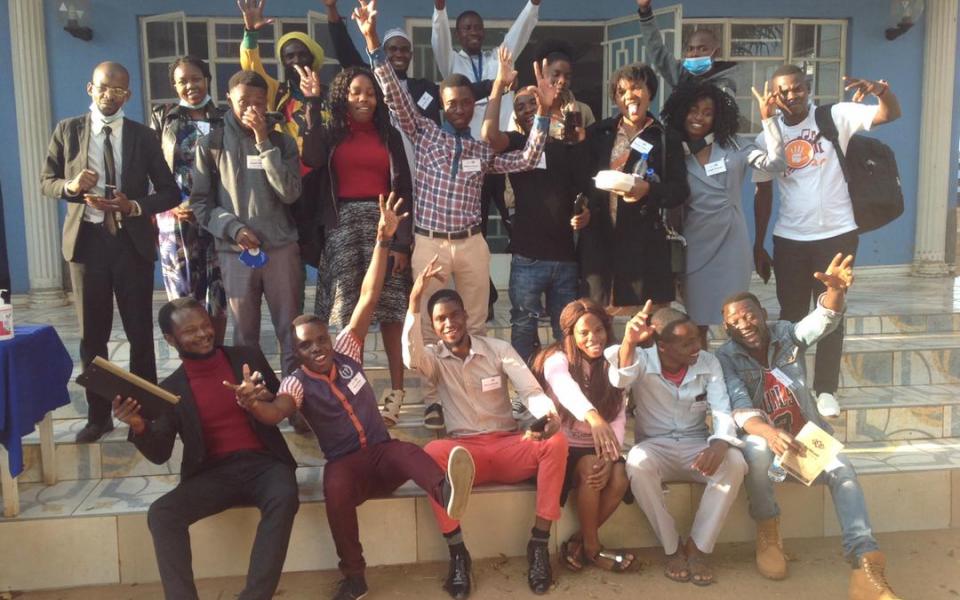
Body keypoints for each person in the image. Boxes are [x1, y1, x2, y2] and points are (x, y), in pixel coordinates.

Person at [204, 195, 475, 600]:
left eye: (321, 340)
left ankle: (448, 494)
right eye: (307, 346)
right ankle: (354, 576)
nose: (317, 349)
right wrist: (251, 403)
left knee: (410, 452)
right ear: (296, 354)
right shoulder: (296, 381)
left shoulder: (347, 350)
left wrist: (383, 240)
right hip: (348, 466)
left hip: (382, 455)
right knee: (333, 489)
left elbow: (368, 295)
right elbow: (276, 412)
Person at [354, 1, 552, 430]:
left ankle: (478, 392)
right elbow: (393, 94)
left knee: (475, 322)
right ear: (442, 107)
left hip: (472, 244)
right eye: (452, 103)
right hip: (430, 242)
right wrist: (372, 42)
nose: (460, 108)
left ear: (472, 105)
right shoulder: (424, 135)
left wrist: (546, 114)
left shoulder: (482, 151)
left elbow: (526, 160)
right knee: (429, 323)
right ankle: (434, 400)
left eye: (465, 102)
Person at [717, 254, 901, 600]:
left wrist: (834, 292)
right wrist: (770, 433)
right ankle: (768, 529)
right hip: (766, 442)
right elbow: (740, 407)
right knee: (754, 448)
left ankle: (864, 564)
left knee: (842, 468)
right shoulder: (725, 357)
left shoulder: (785, 334)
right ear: (726, 328)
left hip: (807, 440)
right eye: (735, 320)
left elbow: (821, 322)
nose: (744, 323)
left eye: (750, 314)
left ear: (763, 315)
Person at [110, 298, 299, 600]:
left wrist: (262, 396)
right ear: (171, 340)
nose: (202, 334)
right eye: (190, 331)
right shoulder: (171, 389)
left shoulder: (247, 358)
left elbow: (281, 402)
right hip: (214, 474)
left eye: (205, 326)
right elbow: (160, 454)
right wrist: (139, 425)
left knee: (285, 494)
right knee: (162, 514)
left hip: (266, 464)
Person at [403, 257, 567, 598]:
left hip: (508, 445)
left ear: (466, 316)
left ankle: (538, 545)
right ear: (434, 326)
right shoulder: (433, 359)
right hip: (466, 454)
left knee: (556, 441)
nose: (449, 323)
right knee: (432, 453)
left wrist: (547, 417)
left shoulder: (498, 350)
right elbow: (410, 356)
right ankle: (458, 554)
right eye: (440, 319)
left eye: (454, 315)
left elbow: (530, 391)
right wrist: (414, 300)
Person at [40, 61, 179, 443]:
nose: (109, 95)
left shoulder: (143, 136)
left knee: (140, 334)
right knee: (92, 337)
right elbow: (46, 182)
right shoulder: (68, 131)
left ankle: (147, 417)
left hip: (130, 245)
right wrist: (70, 186)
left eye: (117, 91)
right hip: (87, 245)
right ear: (90, 89)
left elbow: (169, 191)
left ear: (128, 96)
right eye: (103, 88)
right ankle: (98, 417)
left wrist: (132, 206)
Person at [753, 64, 901, 418]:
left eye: (797, 88)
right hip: (789, 238)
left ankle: (826, 390)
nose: (791, 96)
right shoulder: (766, 135)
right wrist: (757, 244)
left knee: (832, 310)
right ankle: (792, 382)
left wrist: (880, 91)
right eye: (783, 91)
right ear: (773, 95)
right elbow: (763, 194)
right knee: (791, 315)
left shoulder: (833, 116)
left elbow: (890, 113)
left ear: (808, 88)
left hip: (837, 233)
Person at [300, 63, 414, 427]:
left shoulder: (389, 135)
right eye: (356, 92)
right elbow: (312, 158)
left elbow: (404, 187)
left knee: (392, 314)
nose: (364, 99)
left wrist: (400, 242)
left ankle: (397, 391)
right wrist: (312, 103)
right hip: (343, 226)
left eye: (370, 93)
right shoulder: (331, 133)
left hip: (385, 224)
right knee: (352, 318)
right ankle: (356, 392)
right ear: (344, 97)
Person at [608, 302, 746, 586]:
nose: (697, 346)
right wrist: (628, 341)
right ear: (662, 347)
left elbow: (722, 407)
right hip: (656, 447)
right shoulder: (642, 358)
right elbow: (620, 380)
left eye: (696, 338)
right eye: (686, 343)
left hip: (697, 444)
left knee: (736, 461)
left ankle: (697, 547)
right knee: (637, 462)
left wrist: (720, 442)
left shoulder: (708, 362)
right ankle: (672, 547)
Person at [432, 0, 544, 319]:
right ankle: (486, 299)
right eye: (466, 28)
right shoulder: (451, 61)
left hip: (502, 154)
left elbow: (517, 35)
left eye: (478, 27)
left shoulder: (498, 59)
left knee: (516, 222)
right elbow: (438, 40)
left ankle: (530, 296)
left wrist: (532, 6)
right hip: (469, 159)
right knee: (476, 230)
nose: (473, 32)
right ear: (458, 33)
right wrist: (440, 12)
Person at [190, 70, 303, 376]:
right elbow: (200, 203)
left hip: (280, 249)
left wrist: (264, 142)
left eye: (259, 102)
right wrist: (233, 228)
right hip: (236, 252)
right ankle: (255, 402)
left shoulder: (283, 141)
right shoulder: (210, 144)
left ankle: (294, 400)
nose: (252, 109)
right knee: (245, 334)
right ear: (229, 100)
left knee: (291, 329)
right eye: (244, 101)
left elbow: (290, 193)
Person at [660, 80, 787, 347]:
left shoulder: (734, 146)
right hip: (695, 244)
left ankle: (739, 373)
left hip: (731, 244)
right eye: (694, 110)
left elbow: (775, 163)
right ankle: (702, 378)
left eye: (708, 113)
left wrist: (769, 119)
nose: (699, 118)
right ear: (682, 111)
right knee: (697, 323)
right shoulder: (672, 153)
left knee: (739, 317)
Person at [481, 55, 589, 363]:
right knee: (523, 326)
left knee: (566, 329)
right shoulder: (516, 143)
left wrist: (587, 211)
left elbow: (584, 187)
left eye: (533, 103)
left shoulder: (567, 143)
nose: (527, 109)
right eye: (520, 106)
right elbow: (489, 135)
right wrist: (499, 85)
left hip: (565, 258)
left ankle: (564, 391)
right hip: (528, 257)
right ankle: (525, 392)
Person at [530, 299, 633, 573]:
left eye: (598, 330)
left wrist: (612, 454)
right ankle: (593, 549)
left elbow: (619, 415)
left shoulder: (612, 361)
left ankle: (578, 542)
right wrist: (593, 416)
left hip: (599, 445)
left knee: (619, 477)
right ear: (570, 335)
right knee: (590, 469)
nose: (593, 338)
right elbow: (565, 389)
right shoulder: (555, 359)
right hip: (562, 446)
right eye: (584, 333)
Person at [579, 62, 689, 311]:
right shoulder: (599, 133)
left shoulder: (664, 137)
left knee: (646, 321)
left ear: (650, 92)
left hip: (645, 245)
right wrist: (582, 209)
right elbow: (581, 180)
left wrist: (648, 190)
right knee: (598, 317)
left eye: (636, 88)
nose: (629, 96)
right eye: (621, 91)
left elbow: (679, 191)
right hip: (600, 243)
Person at [150, 55, 229, 345]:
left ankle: (216, 354)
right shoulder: (163, 117)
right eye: (182, 81)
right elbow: (155, 168)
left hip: (217, 215)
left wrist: (205, 207)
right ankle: (191, 364)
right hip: (175, 218)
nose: (190, 86)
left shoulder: (225, 117)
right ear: (174, 85)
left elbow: (231, 172)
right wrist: (171, 204)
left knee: (218, 292)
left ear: (207, 79)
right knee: (183, 296)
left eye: (196, 78)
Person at [635, 0, 738, 96]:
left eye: (702, 49)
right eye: (690, 49)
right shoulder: (681, 76)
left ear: (716, 53)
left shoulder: (725, 86)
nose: (694, 54)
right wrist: (645, 12)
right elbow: (657, 52)